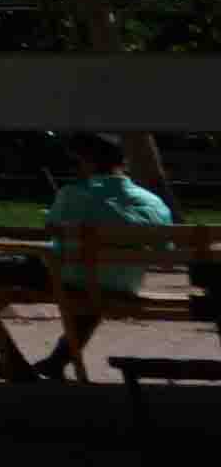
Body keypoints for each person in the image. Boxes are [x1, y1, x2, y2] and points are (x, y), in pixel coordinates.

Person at [38, 151, 175, 378]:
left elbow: (55, 241)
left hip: (73, 281)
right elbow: (166, 256)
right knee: (93, 289)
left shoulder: (71, 194)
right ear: (123, 163)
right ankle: (54, 362)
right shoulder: (153, 201)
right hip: (124, 285)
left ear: (87, 162)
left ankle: (7, 355)